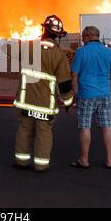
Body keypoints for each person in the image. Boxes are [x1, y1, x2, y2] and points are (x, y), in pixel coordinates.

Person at [12, 15, 75, 173]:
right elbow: (65, 84)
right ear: (58, 36)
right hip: (45, 104)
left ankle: (21, 162)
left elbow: (7, 48)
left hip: (26, 100)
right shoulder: (59, 56)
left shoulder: (28, 48)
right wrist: (69, 103)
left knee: (24, 130)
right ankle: (41, 165)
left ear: (43, 30)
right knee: (44, 132)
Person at [70, 26, 111, 169]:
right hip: (104, 95)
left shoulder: (81, 52)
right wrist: (104, 74)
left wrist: (75, 93)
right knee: (107, 127)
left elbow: (74, 74)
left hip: (86, 95)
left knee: (85, 127)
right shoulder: (110, 52)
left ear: (88, 36)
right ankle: (110, 160)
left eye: (82, 37)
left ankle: (84, 160)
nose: (82, 39)